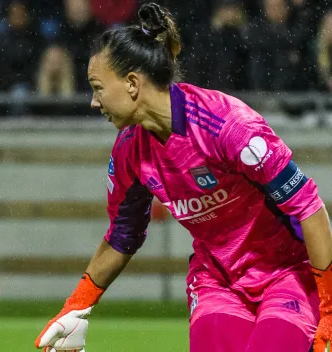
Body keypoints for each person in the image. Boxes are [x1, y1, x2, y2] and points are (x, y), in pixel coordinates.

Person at [34, 3, 332, 352]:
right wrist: (76, 307)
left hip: (287, 275)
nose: (94, 102)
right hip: (217, 282)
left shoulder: (227, 125)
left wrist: (329, 307)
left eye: (98, 88)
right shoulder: (129, 151)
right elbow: (123, 235)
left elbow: (309, 208)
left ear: (132, 83)